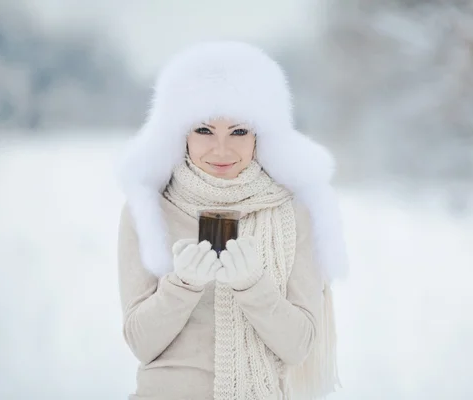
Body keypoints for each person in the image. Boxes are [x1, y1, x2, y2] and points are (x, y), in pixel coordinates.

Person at [116, 41, 348, 400]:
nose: (221, 150)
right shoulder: (148, 211)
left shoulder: (294, 213)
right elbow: (141, 342)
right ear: (180, 133)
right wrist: (183, 286)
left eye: (238, 131)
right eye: (204, 131)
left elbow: (298, 346)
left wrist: (253, 286)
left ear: (260, 135)